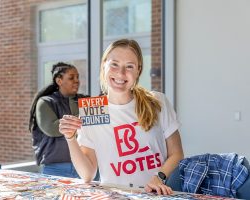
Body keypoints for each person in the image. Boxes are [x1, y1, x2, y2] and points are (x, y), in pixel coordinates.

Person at [59, 39, 184, 195]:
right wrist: (70, 138)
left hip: (156, 195)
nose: (120, 73)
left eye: (129, 66)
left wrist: (158, 176)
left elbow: (177, 153)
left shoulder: (157, 101)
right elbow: (87, 174)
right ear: (103, 65)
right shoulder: (93, 110)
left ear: (138, 70)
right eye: (114, 64)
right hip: (114, 196)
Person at [29, 62, 86, 178]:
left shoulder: (84, 100)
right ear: (59, 81)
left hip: (85, 165)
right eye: (71, 77)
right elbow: (53, 129)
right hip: (56, 168)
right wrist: (84, 115)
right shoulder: (45, 102)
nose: (77, 81)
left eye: (77, 77)